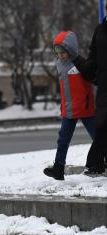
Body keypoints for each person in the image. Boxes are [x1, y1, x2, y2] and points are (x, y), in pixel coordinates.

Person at [43, 31, 95, 180]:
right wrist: (63, 106)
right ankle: (59, 168)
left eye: (63, 51)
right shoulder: (59, 64)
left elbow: (93, 84)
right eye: (57, 52)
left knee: (98, 138)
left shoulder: (81, 64)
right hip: (69, 109)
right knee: (63, 139)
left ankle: (101, 161)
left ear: (70, 49)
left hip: (86, 108)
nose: (60, 55)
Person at [64, 8, 107, 175]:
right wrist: (75, 57)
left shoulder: (100, 31)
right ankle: (95, 165)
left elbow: (90, 69)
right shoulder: (100, 31)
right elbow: (90, 68)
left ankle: (95, 165)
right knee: (102, 128)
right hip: (104, 92)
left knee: (103, 128)